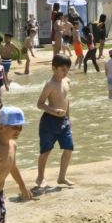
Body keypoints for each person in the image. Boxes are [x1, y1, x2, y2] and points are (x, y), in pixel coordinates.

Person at [32, 54, 76, 189]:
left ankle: (62, 177)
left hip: (63, 121)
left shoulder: (67, 81)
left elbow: (66, 100)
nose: (65, 72)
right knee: (45, 151)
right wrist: (53, 110)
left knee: (69, 148)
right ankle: (40, 178)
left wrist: (68, 117)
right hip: (49, 121)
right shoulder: (50, 84)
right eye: (62, 69)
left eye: (67, 69)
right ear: (53, 68)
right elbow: (39, 104)